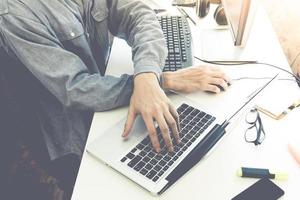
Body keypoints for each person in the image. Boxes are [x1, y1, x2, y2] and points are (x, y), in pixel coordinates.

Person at [0, 0, 230, 197]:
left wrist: (147, 77)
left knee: (193, 158)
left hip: (106, 92)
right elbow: (76, 88)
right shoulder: (14, 14)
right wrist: (164, 82)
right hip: (70, 127)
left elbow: (137, 13)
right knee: (129, 184)